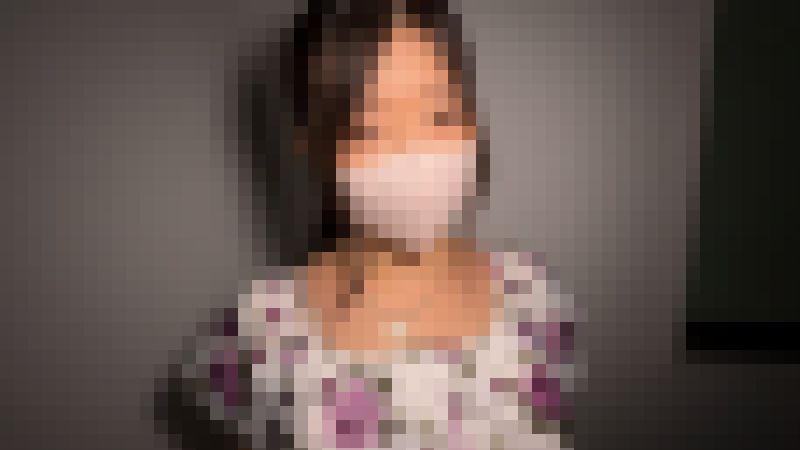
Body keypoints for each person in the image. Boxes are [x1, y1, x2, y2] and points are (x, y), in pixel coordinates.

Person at [154, 1, 574, 449]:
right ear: (313, 145)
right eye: (369, 127)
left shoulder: (534, 299)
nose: (415, 153)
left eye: (441, 116)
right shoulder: (256, 338)